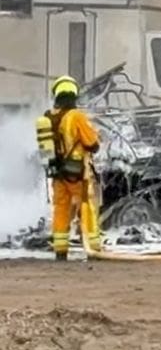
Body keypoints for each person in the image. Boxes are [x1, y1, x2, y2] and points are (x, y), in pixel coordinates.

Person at [43, 76, 101, 260]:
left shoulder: (48, 117)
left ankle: (60, 250)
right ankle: (93, 249)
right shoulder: (76, 116)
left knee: (61, 209)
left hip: (57, 174)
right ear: (74, 95)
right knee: (87, 207)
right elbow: (92, 144)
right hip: (78, 173)